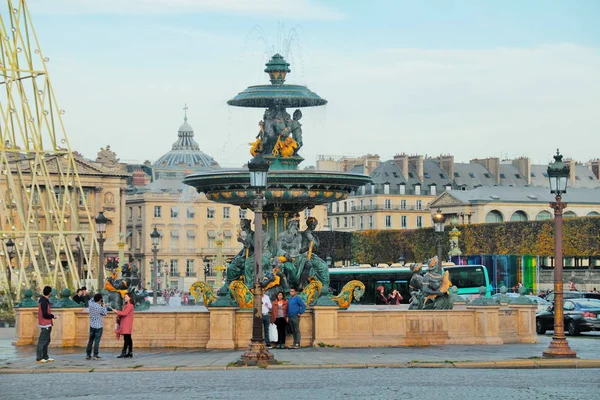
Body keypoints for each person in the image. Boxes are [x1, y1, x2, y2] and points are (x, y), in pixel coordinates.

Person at [36, 286, 57, 363]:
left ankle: (45, 356)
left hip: (46, 323)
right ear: (50, 293)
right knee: (42, 341)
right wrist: (53, 316)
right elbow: (45, 314)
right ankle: (39, 357)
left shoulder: (43, 300)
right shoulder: (44, 301)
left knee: (47, 340)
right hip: (45, 323)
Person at [86, 293, 109, 360]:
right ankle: (95, 355)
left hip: (92, 325)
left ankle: (88, 354)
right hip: (98, 326)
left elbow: (90, 299)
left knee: (90, 341)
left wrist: (97, 298)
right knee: (97, 341)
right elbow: (105, 313)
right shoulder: (99, 307)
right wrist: (103, 305)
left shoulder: (91, 304)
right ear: (100, 300)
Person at [115, 293, 135, 358]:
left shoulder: (130, 305)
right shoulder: (128, 305)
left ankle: (124, 352)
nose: (125, 298)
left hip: (126, 324)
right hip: (126, 323)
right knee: (128, 338)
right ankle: (130, 352)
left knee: (126, 338)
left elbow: (125, 313)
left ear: (130, 298)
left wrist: (117, 311)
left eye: (126, 297)